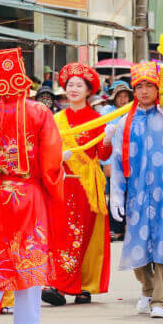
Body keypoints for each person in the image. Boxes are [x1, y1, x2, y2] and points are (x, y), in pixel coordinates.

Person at [0, 47, 64, 324]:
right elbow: (50, 160)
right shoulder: (40, 112)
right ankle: (26, 320)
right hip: (29, 192)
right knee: (30, 251)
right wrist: (53, 190)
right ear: (23, 77)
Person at [109, 61, 163, 319]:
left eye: (150, 85)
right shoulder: (126, 121)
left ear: (159, 88)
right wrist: (116, 193)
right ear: (134, 90)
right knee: (137, 246)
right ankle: (147, 289)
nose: (145, 90)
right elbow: (117, 160)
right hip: (137, 195)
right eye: (140, 86)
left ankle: (159, 300)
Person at [42, 63, 114, 307]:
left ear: (88, 91)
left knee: (82, 236)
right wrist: (57, 157)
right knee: (60, 235)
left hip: (85, 188)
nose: (73, 89)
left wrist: (107, 138)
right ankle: (60, 285)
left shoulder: (96, 120)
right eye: (70, 85)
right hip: (61, 185)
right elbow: (45, 151)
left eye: (79, 85)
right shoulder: (55, 119)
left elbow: (103, 155)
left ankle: (83, 285)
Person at [100, 80, 134, 241]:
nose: (123, 99)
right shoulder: (107, 112)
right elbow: (105, 139)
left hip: (130, 160)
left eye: (125, 96)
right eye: (119, 96)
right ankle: (115, 228)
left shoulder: (132, 112)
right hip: (112, 160)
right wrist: (107, 163)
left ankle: (127, 227)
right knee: (114, 194)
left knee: (129, 194)